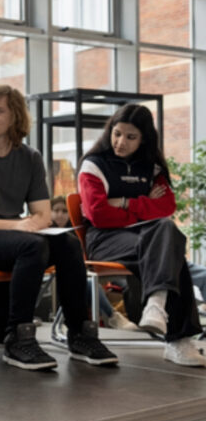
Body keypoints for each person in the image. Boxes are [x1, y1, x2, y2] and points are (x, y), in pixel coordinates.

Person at [0, 85, 117, 370]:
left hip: (10, 241)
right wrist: (16, 224)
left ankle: (80, 335)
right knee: (31, 244)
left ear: (15, 116)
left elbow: (43, 216)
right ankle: (19, 338)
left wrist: (17, 226)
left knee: (69, 243)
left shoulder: (30, 157)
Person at [77, 103, 205, 366]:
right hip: (104, 240)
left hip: (146, 238)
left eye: (130, 137)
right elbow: (99, 215)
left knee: (166, 230)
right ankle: (177, 339)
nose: (121, 142)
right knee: (168, 248)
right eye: (117, 134)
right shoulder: (93, 165)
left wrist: (124, 203)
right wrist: (144, 205)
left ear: (143, 139)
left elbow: (167, 207)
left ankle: (156, 307)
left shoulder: (152, 168)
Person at [49, 195, 136, 331]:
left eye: (64, 211)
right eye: (56, 210)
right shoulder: (49, 232)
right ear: (49, 212)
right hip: (59, 273)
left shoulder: (76, 231)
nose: (60, 214)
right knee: (88, 283)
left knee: (127, 282)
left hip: (84, 269)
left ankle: (132, 317)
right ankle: (112, 316)